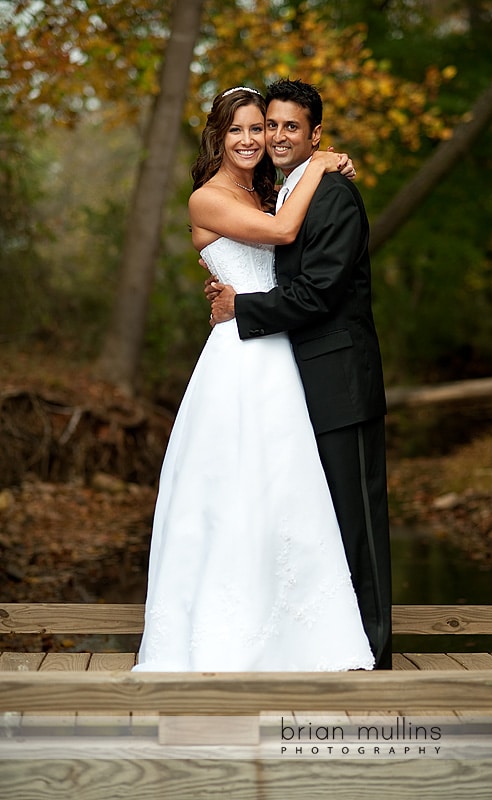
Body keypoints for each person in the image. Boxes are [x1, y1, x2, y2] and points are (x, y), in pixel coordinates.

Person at [133, 86, 374, 672]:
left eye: (259, 129)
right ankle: (224, 632)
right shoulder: (206, 199)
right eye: (238, 130)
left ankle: (293, 632)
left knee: (283, 491)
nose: (252, 140)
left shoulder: (265, 189)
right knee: (232, 491)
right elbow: (285, 234)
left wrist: (322, 163)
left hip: (279, 355)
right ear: (218, 135)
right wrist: (321, 161)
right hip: (239, 359)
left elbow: (292, 256)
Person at [209, 79, 392, 670]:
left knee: (356, 524)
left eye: (292, 127)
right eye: (272, 125)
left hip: (340, 380)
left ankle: (373, 660)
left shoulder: (333, 195)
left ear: (314, 134)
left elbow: (318, 294)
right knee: (316, 522)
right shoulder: (279, 193)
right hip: (292, 383)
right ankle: (326, 648)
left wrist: (242, 307)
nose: (278, 136)